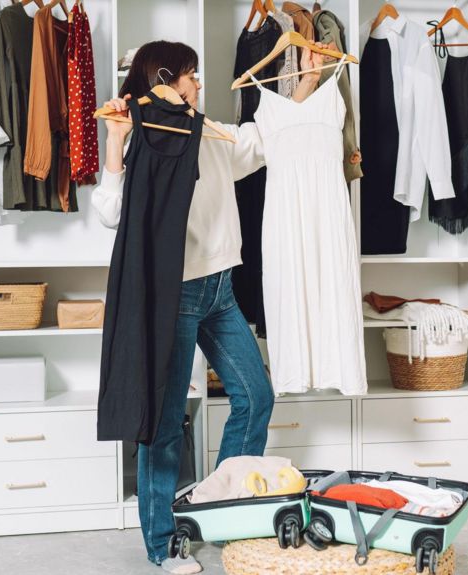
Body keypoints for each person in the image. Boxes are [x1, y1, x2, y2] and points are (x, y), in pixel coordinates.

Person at [92, 40, 328, 575]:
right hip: (172, 294)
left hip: (220, 288)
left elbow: (265, 141)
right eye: (192, 76)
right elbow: (110, 214)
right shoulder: (147, 141)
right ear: (167, 80)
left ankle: (219, 510)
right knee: (165, 419)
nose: (199, 84)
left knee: (255, 395)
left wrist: (308, 83)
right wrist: (116, 142)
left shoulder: (214, 134)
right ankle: (162, 543)